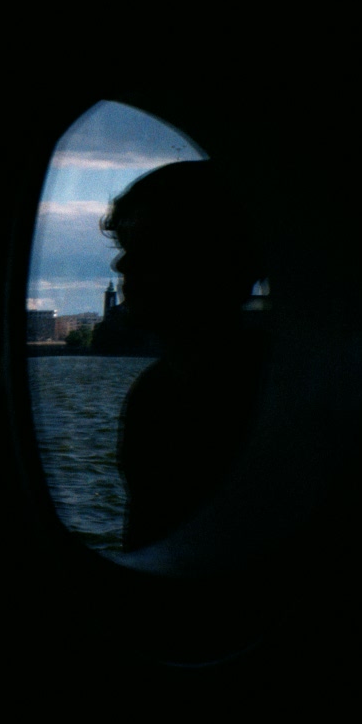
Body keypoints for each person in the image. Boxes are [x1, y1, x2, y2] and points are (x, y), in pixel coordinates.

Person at [104, 160, 267, 551]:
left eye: (144, 247)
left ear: (203, 258)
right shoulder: (160, 388)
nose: (121, 264)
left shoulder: (242, 397)